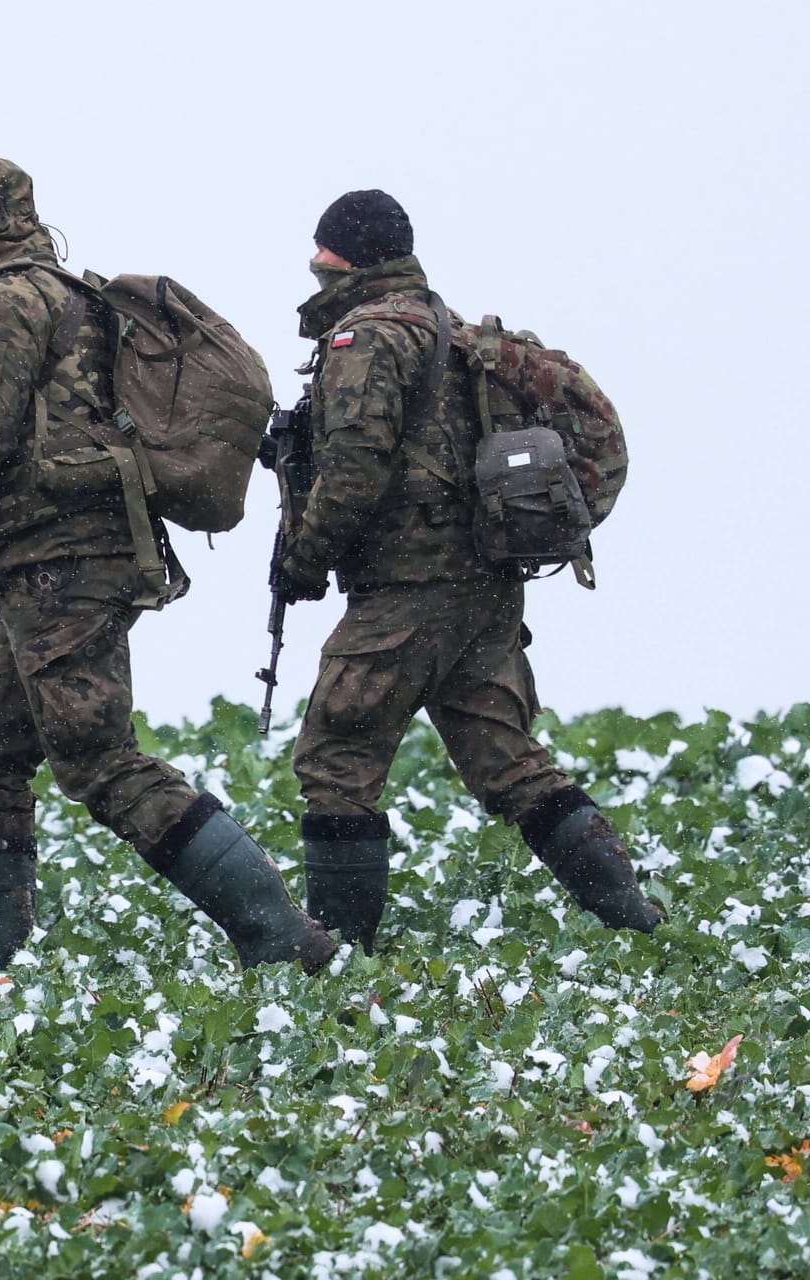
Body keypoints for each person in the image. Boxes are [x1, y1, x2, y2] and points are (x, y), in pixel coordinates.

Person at [0, 155, 334, 971]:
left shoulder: (4, 301)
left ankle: (283, 938)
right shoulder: (66, 293)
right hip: (52, 565)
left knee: (97, 757)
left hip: (60, 562)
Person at [271, 189, 663, 948]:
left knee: (336, 756)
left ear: (338, 258)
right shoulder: (446, 329)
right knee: (508, 761)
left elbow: (354, 472)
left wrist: (303, 558)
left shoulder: (367, 338)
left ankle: (338, 954)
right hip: (484, 583)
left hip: (410, 586)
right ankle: (638, 923)